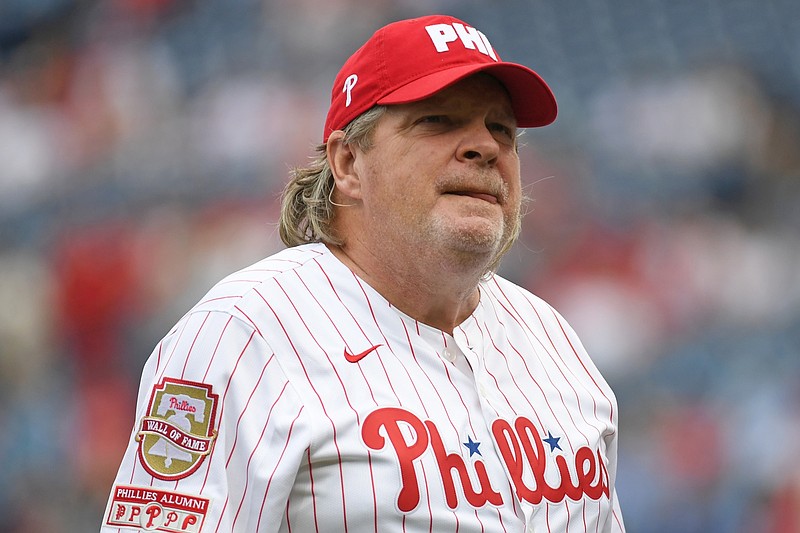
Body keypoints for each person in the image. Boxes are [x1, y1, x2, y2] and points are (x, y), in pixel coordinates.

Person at [101, 14, 625, 533]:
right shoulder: (242, 334)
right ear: (349, 163)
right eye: (437, 120)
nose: (485, 146)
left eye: (501, 129)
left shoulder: (554, 341)